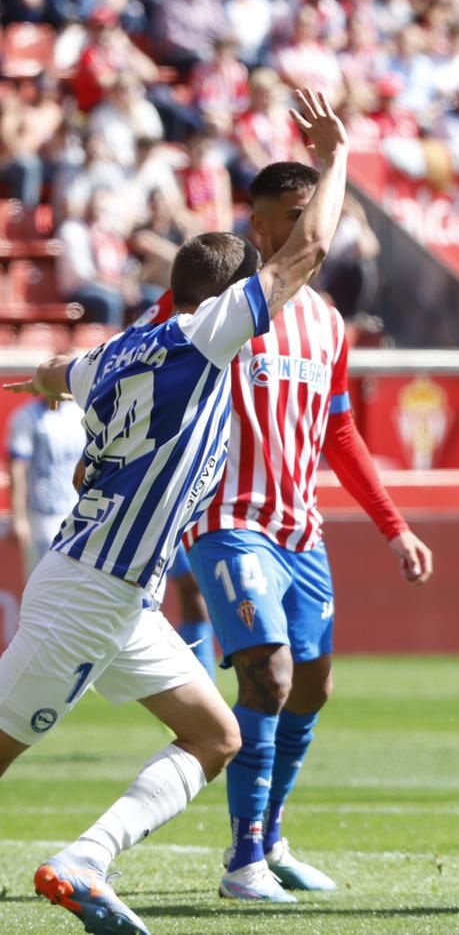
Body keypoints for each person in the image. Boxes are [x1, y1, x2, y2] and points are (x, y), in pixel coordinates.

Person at [0, 88, 349, 935]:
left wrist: (37, 376)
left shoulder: (120, 351)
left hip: (121, 597)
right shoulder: (203, 338)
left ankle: (86, 860)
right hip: (90, 593)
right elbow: (309, 251)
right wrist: (336, 160)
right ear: (227, 305)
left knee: (216, 735)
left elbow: (59, 371)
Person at [175, 137, 435, 901]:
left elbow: (339, 432)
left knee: (312, 687)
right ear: (260, 230)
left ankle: (273, 833)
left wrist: (396, 526)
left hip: (299, 531)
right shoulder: (222, 305)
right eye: (297, 215)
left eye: (316, 211)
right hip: (227, 521)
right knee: (270, 674)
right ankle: (242, 858)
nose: (314, 225)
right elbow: (144, 360)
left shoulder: (326, 322)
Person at [7, 394, 86, 577]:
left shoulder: (82, 413)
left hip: (80, 512)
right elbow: (18, 468)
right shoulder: (27, 415)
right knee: (43, 579)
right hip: (44, 514)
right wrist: (19, 518)